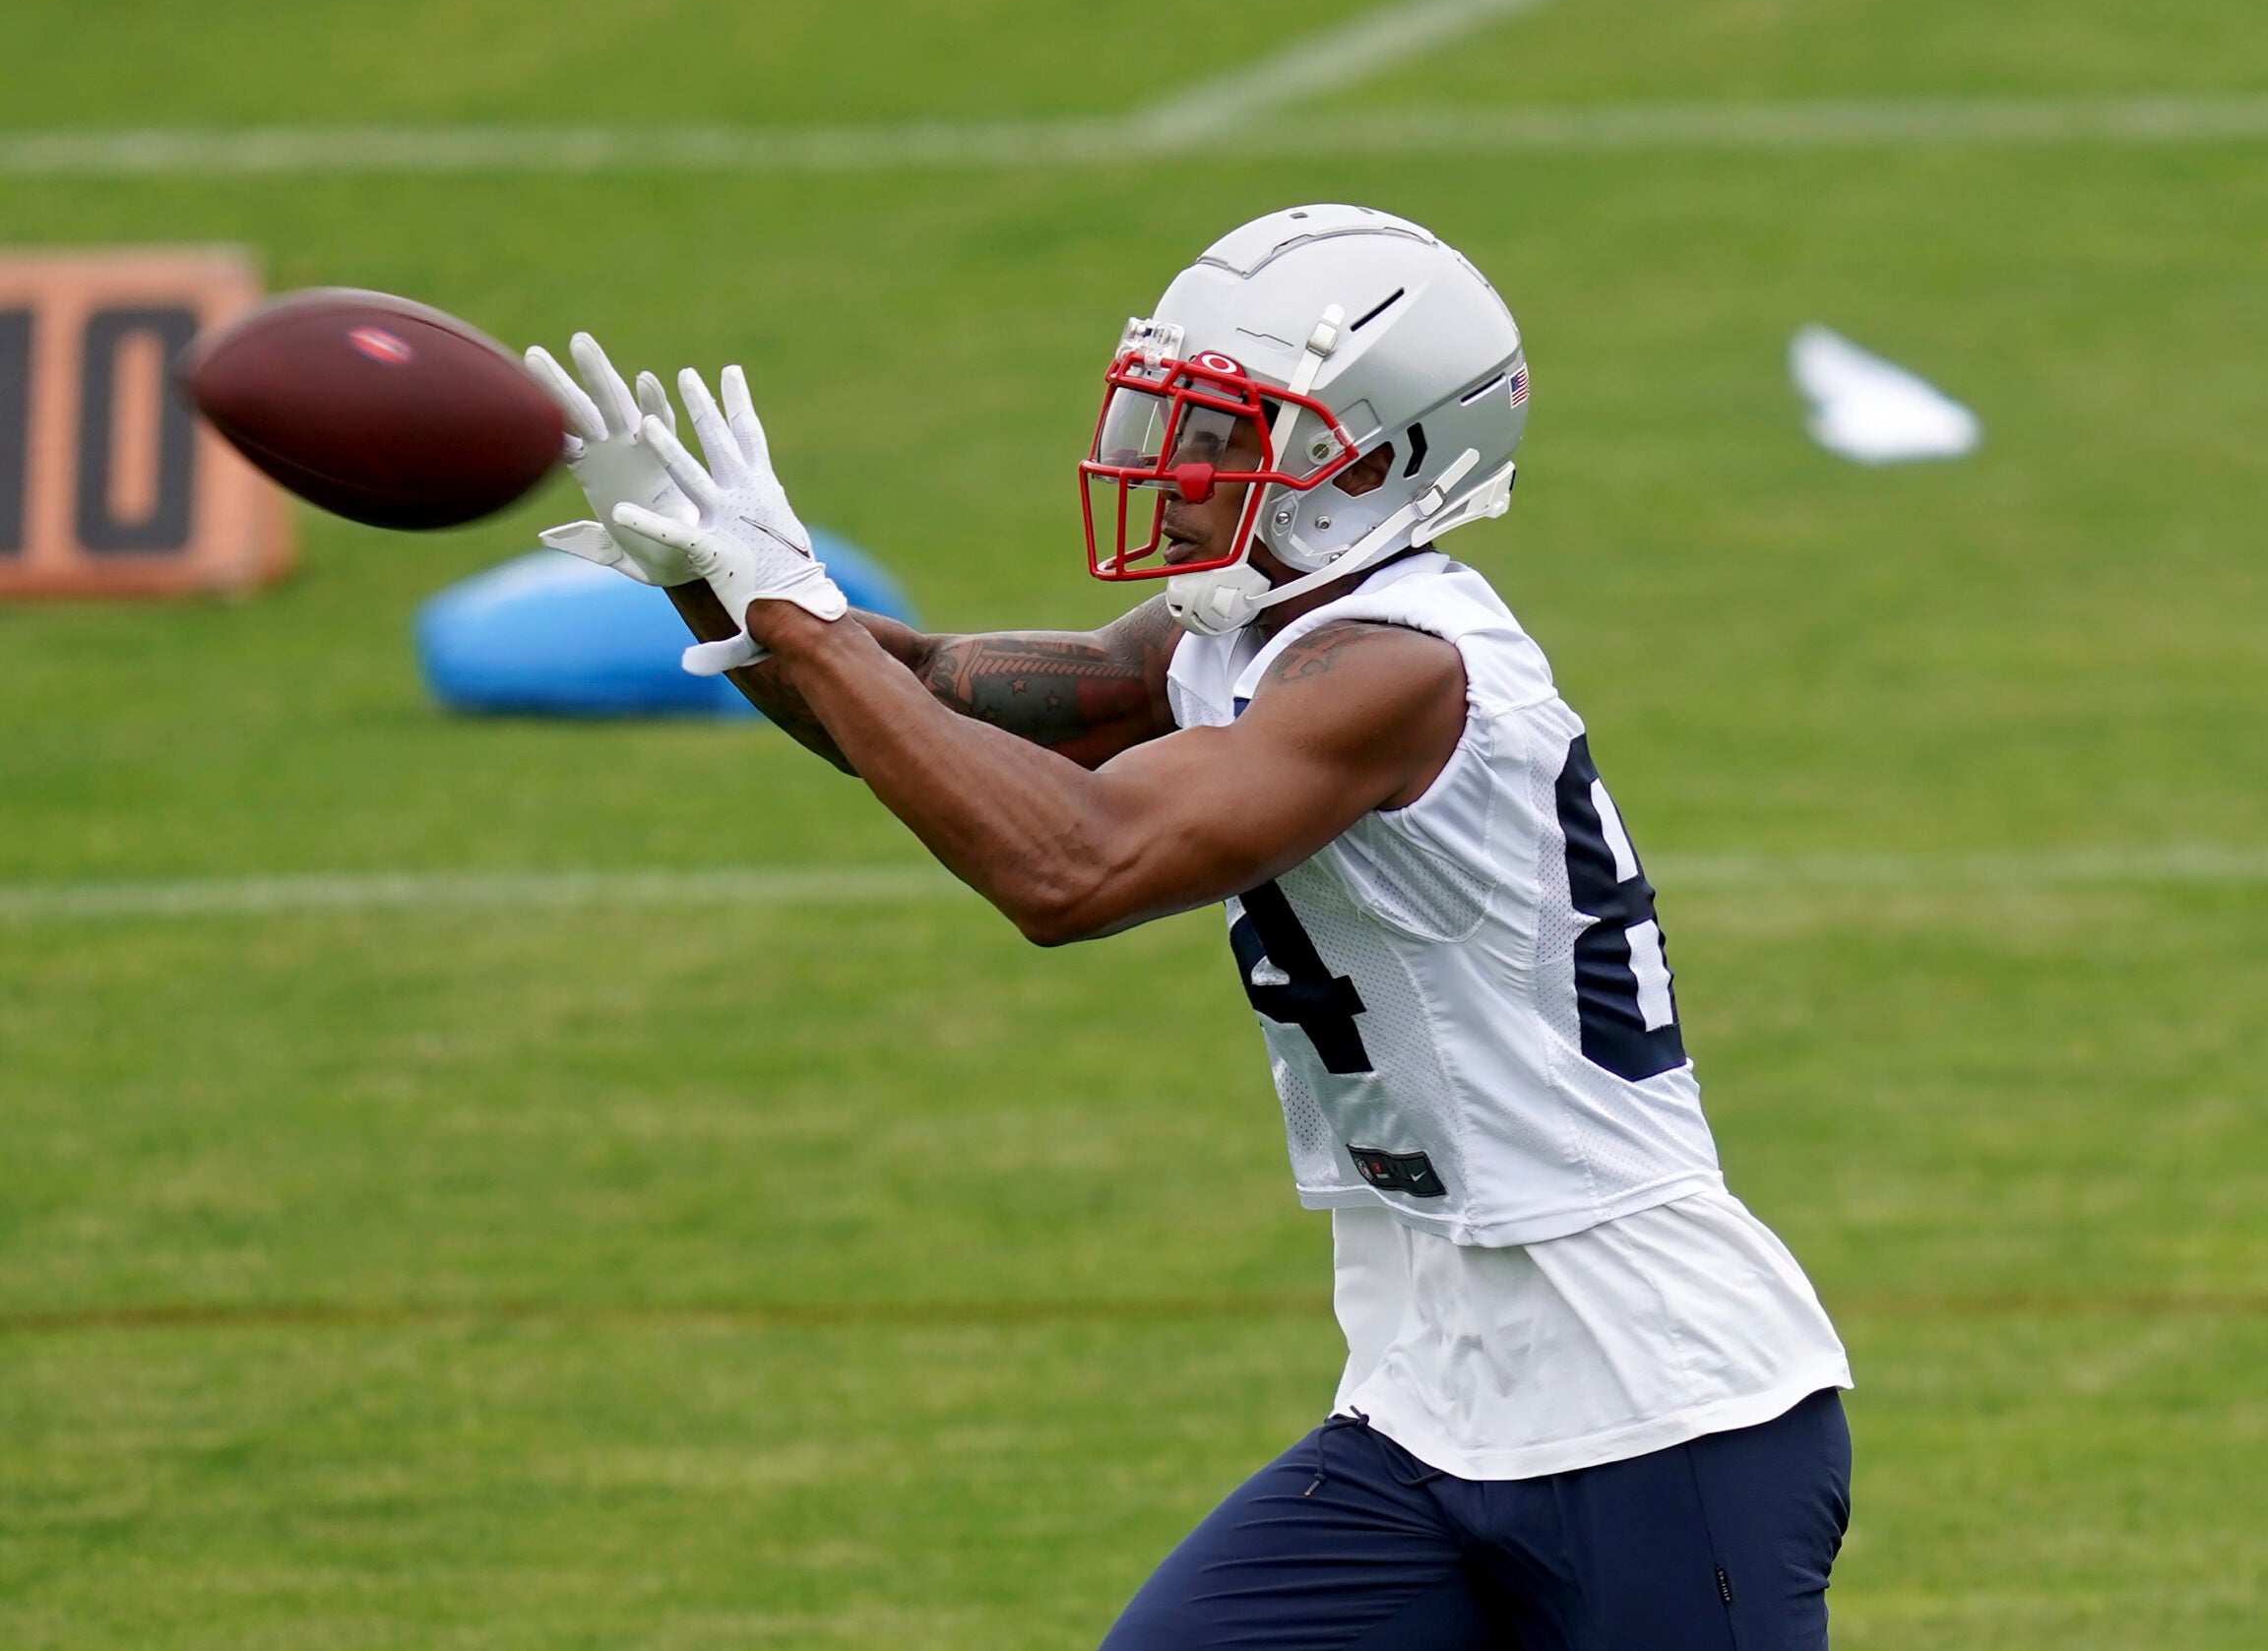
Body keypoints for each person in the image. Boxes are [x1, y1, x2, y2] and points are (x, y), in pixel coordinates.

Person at [524, 204, 1855, 1651]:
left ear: (1373, 456)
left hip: (1655, 1405)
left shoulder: (1398, 670)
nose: (1174, 456)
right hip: (1431, 1397)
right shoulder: (1231, 637)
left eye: (1228, 428)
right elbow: (918, 707)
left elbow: (1069, 872)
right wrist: (723, 577)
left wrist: (807, 628)